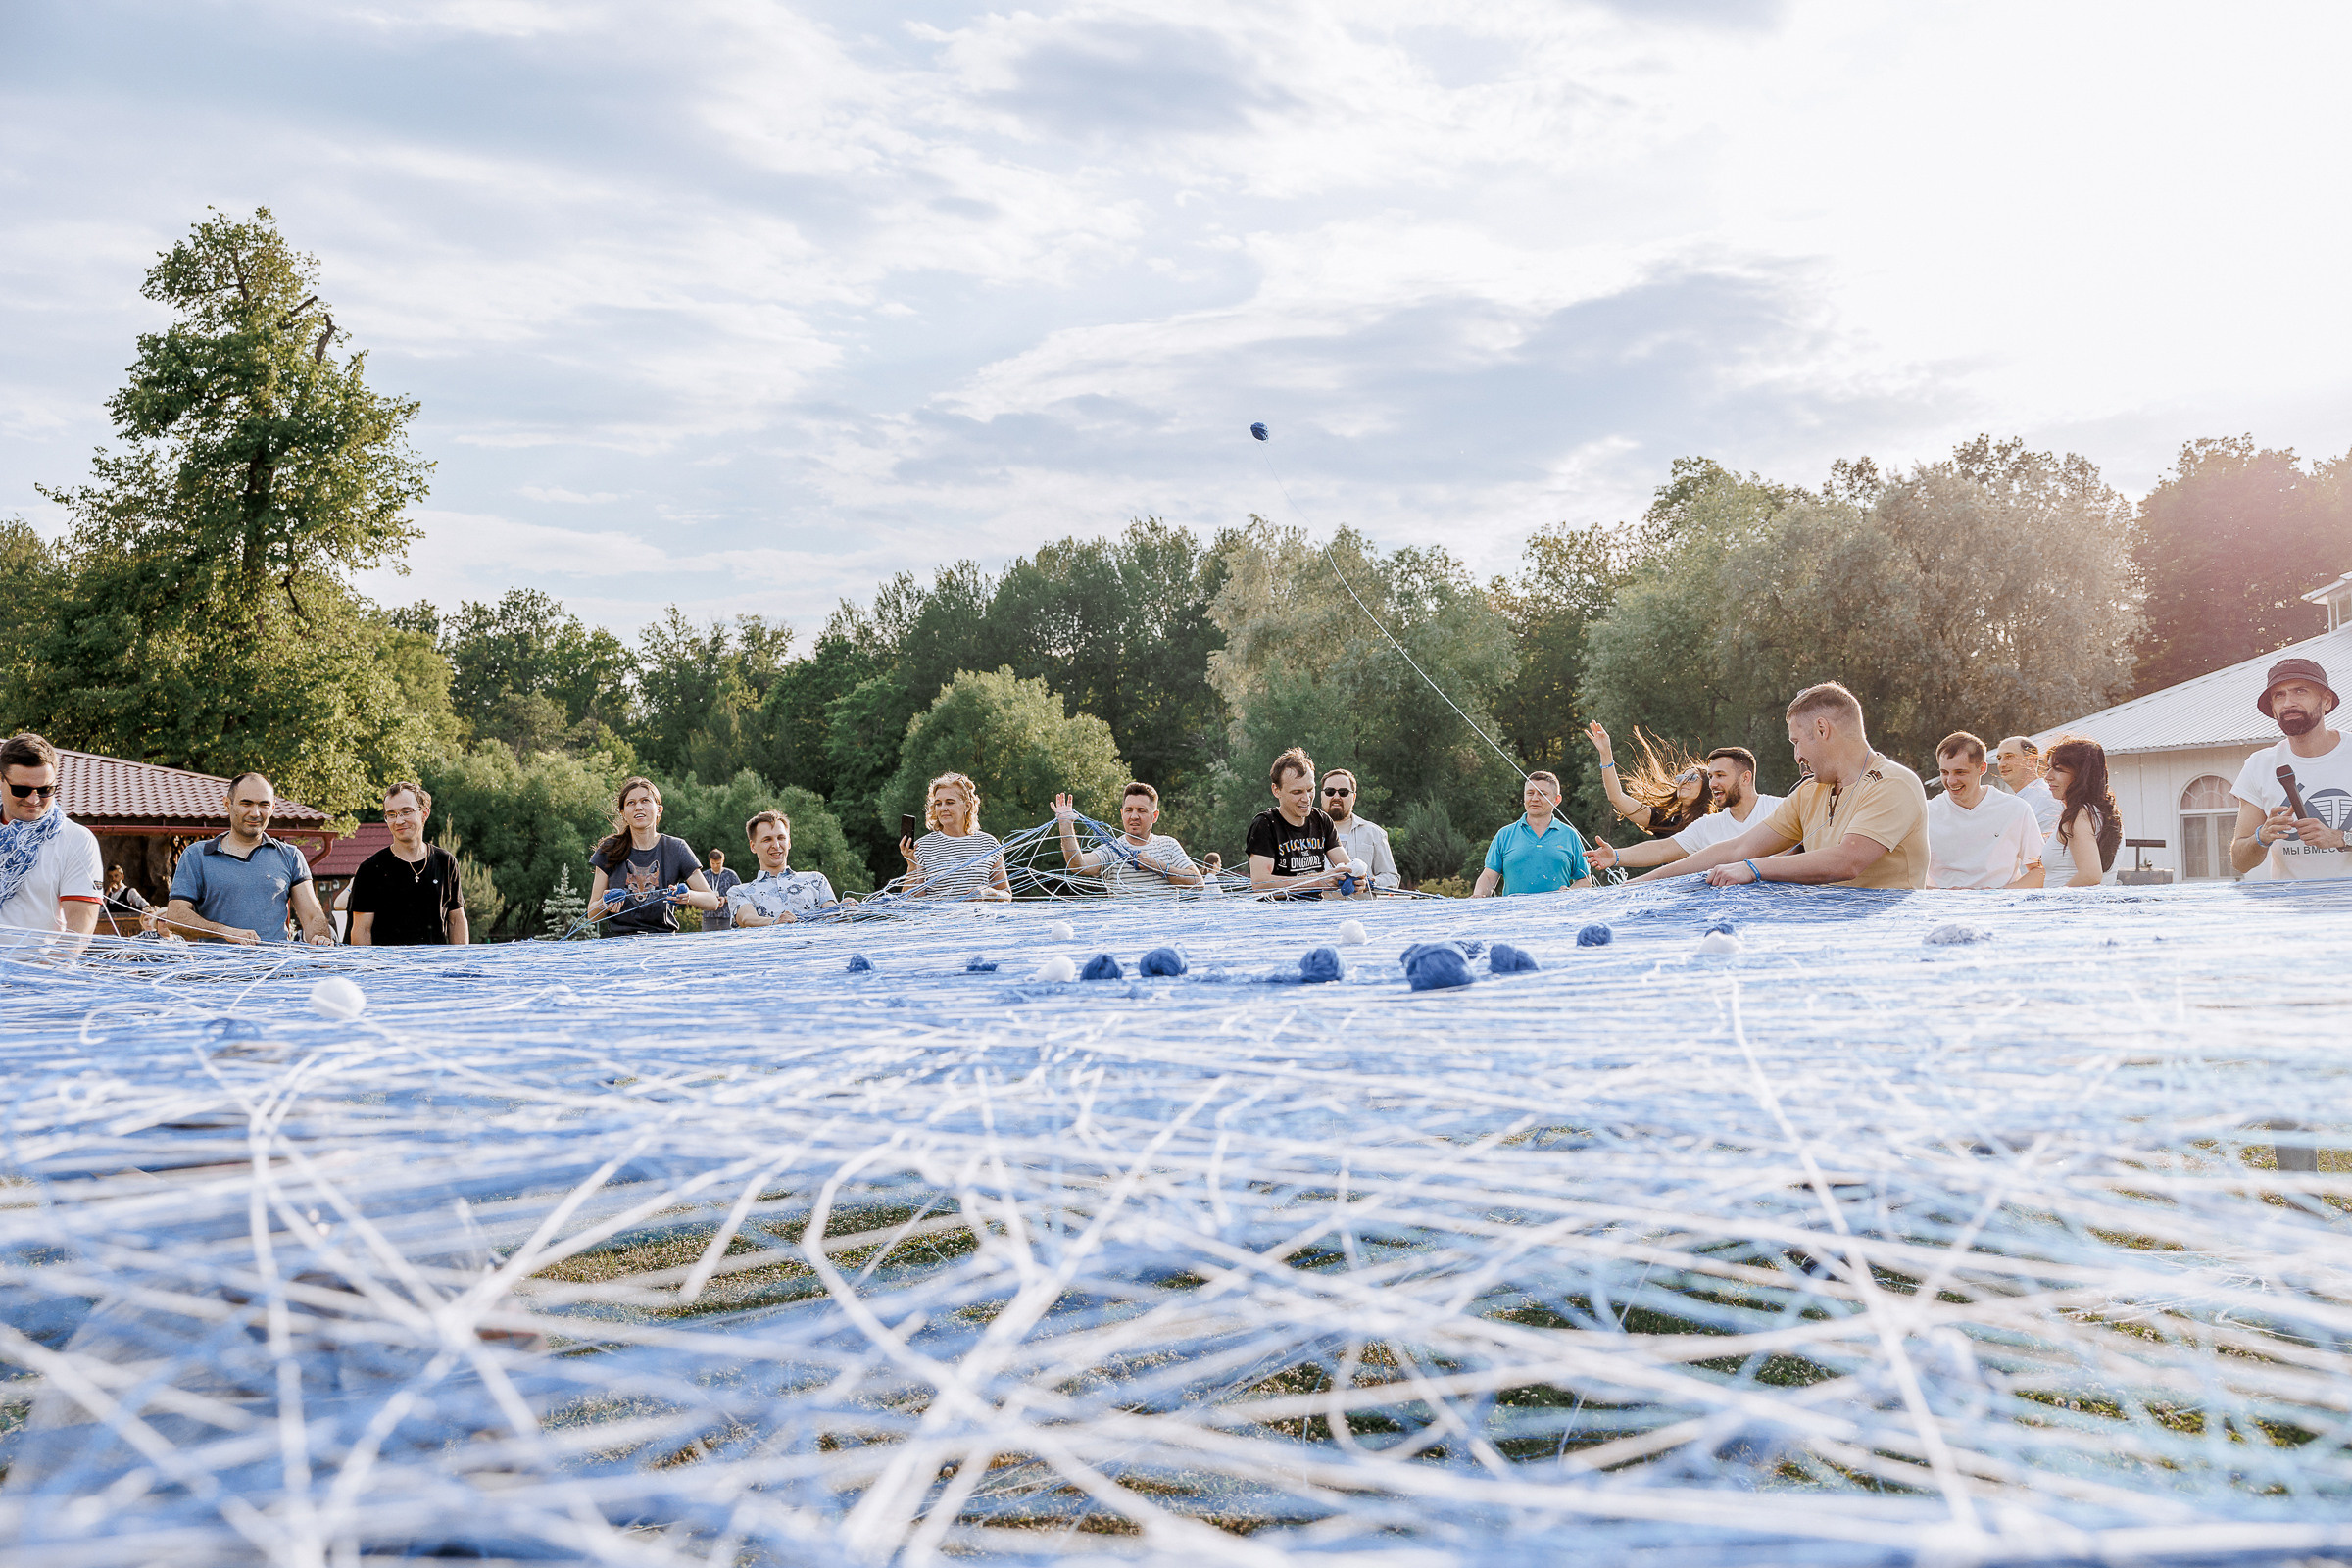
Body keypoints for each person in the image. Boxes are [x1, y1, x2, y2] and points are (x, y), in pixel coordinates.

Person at [1630, 682, 1930, 889]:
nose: (1797, 756)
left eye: (1797, 742)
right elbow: (1740, 847)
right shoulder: (1810, 792)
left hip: (1888, 942)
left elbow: (1847, 861)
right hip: (1827, 933)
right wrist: (1637, 885)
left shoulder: (1893, 784)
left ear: (1822, 729)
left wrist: (1755, 868)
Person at [166, 771, 336, 945]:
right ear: (227, 804)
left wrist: (320, 939)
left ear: (273, 807)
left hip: (275, 970)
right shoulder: (197, 855)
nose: (255, 813)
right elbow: (176, 916)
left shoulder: (290, 856)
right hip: (218, 970)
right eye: (246, 803)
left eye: (264, 804)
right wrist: (224, 931)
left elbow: (312, 915)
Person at [1590, 748, 1784, 874]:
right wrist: (1616, 856)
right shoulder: (1701, 826)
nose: (1714, 782)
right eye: (1710, 776)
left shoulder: (1780, 808)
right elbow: (1661, 850)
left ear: (1746, 778)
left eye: (1720, 775)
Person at [0, 732, 104, 945]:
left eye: (45, 789)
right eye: (21, 789)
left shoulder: (76, 840)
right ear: (1, 780)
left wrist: (46, 973)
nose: (34, 799)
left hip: (37, 974)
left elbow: (80, 926)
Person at [587, 776, 723, 934]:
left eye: (645, 800)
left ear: (659, 810)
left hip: (663, 945)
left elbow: (712, 901)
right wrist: (604, 904)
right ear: (623, 813)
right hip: (619, 946)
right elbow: (592, 915)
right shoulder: (609, 849)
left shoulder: (676, 848)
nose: (638, 807)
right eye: (631, 802)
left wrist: (688, 896)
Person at [348, 781, 469, 946]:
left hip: (436, 967)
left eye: (406, 812)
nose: (399, 821)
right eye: (391, 814)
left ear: (424, 813)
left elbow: (455, 920)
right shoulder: (370, 870)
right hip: (389, 969)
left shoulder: (446, 862)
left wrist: (461, 964)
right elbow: (362, 930)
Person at [1926, 732, 2043, 890]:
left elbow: (2040, 871)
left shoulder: (2016, 809)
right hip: (1940, 909)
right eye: (1945, 772)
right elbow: (1907, 876)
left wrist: (1997, 896)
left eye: (1960, 772)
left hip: (1998, 910)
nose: (1951, 781)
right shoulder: (1925, 812)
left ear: (1982, 768)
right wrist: (1944, 894)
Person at [1053, 783, 1201, 895]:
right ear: (1122, 813)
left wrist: (1158, 866)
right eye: (1129, 810)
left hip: (1163, 935)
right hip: (1124, 935)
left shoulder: (1168, 844)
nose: (1134, 816)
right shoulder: (1111, 850)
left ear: (1155, 816)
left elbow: (1198, 883)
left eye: (1141, 811)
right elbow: (1078, 865)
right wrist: (1065, 825)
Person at [1246, 748, 1355, 898]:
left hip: (1314, 914)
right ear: (1276, 790)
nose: (1307, 798)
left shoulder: (1322, 820)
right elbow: (1261, 885)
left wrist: (1356, 878)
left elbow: (1346, 866)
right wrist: (1318, 881)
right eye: (1297, 792)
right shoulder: (1265, 825)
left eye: (1310, 789)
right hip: (1276, 916)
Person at [1585, 721, 1713, 839]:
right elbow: (1616, 797)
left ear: (1709, 787)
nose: (1684, 781)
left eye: (1692, 778)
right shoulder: (1665, 820)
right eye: (1680, 778)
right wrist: (1606, 753)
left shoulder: (1714, 825)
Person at [1472, 771, 1592, 895]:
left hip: (1557, 912)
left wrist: (1570, 892)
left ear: (1557, 800)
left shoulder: (1570, 835)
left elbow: (1585, 880)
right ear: (1524, 797)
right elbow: (1488, 877)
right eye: (1530, 793)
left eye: (1542, 794)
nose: (1534, 798)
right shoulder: (1504, 835)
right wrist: (1478, 896)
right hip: (1513, 913)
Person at [728, 809, 855, 925]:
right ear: (752, 846)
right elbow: (747, 919)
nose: (776, 845)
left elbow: (831, 914)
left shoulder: (816, 880)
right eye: (767, 840)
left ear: (789, 842)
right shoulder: (739, 892)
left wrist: (842, 910)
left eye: (781, 838)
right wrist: (775, 922)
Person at [900, 772, 1012, 899]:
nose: (943, 808)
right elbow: (909, 901)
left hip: (980, 918)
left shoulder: (988, 844)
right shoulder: (922, 846)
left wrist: (988, 893)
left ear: (967, 806)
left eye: (949, 802)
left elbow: (1006, 895)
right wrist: (912, 865)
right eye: (938, 803)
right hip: (939, 918)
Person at [2040, 735, 2120, 889]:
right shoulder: (2105, 813)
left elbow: (2090, 875)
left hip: (2067, 910)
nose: (2047, 777)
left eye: (2058, 770)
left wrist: (2052, 901)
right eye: (2048, 768)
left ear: (2081, 775)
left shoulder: (2080, 815)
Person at [1317, 770, 1396, 893]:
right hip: (1316, 911)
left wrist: (1369, 883)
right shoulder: (1303, 833)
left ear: (1354, 797)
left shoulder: (1375, 833)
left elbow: (1392, 879)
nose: (1336, 797)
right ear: (1322, 795)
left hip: (1363, 911)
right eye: (1330, 792)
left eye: (1343, 792)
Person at [1993, 736, 2062, 839]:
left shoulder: (2046, 799)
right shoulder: (2015, 801)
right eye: (1999, 758)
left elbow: (2044, 850)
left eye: (2009, 756)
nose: (2001, 764)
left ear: (2031, 761)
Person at [702, 848, 742, 932]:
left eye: (718, 863)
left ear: (723, 860)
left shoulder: (731, 875)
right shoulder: (704, 876)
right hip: (708, 917)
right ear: (709, 861)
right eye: (713, 863)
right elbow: (698, 893)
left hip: (726, 917)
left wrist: (725, 899)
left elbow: (740, 894)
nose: (715, 866)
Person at [101, 866, 151, 933]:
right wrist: (107, 893)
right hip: (107, 928)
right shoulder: (105, 893)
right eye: (110, 877)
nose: (113, 879)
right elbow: (100, 910)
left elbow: (144, 904)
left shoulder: (130, 892)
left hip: (124, 928)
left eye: (116, 876)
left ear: (122, 877)